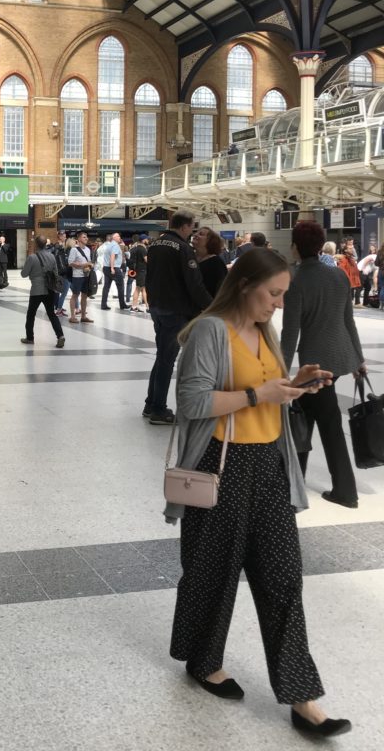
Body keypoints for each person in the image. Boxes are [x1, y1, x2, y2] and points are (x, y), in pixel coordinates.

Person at [168, 249, 349, 737]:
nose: (279, 303)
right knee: (213, 570)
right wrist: (258, 395)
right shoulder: (211, 331)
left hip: (268, 464)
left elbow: (268, 389)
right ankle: (204, 662)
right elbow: (189, 403)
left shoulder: (265, 332)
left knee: (284, 576)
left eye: (282, 295)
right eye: (274, 293)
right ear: (245, 285)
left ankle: (302, 698)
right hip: (221, 464)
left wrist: (295, 385)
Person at [281, 221, 365, 509]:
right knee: (314, 419)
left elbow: (290, 333)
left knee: (310, 423)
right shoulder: (338, 275)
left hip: (315, 364)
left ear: (295, 246)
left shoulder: (297, 281)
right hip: (341, 357)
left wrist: (281, 370)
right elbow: (348, 321)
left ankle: (309, 491)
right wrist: (359, 359)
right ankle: (331, 489)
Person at [143, 212, 211, 425]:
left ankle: (150, 403)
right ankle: (158, 410)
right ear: (185, 226)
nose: (192, 232)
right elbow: (193, 283)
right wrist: (211, 306)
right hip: (175, 309)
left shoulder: (154, 244)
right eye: (192, 227)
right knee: (167, 359)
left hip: (157, 307)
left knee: (161, 355)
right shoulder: (182, 248)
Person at [19, 235, 65, 348]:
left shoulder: (32, 258)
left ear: (36, 244)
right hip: (50, 290)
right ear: (46, 244)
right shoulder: (52, 257)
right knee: (51, 314)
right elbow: (56, 273)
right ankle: (60, 336)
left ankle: (30, 338)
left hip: (36, 290)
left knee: (31, 314)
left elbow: (23, 274)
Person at [67, 231, 93, 324]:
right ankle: (73, 316)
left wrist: (89, 266)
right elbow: (70, 263)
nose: (86, 238)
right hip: (77, 276)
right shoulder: (74, 250)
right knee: (75, 295)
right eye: (84, 237)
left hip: (86, 275)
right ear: (78, 239)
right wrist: (83, 265)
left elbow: (89, 261)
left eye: (86, 237)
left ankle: (83, 316)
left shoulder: (88, 250)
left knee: (85, 296)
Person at [194, 228, 228, 298]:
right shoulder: (190, 257)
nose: (195, 235)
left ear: (210, 241)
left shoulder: (216, 262)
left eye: (201, 234)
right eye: (196, 233)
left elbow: (221, 289)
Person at [100, 232, 129, 311]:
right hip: (114, 268)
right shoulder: (115, 245)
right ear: (114, 238)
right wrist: (112, 268)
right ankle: (122, 304)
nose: (120, 237)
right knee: (120, 287)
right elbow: (113, 256)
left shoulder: (109, 245)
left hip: (106, 267)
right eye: (118, 236)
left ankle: (103, 304)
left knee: (106, 287)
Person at [128, 235, 149, 312]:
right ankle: (134, 307)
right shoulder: (142, 249)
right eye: (147, 239)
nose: (148, 240)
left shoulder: (136, 248)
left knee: (143, 289)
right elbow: (146, 260)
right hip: (142, 271)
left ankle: (146, 306)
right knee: (138, 289)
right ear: (143, 240)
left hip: (139, 270)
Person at [337, 239, 361, 305]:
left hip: (352, 280)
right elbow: (341, 270)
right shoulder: (343, 259)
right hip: (346, 281)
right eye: (350, 249)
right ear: (345, 250)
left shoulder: (351, 259)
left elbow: (355, 271)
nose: (352, 250)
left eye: (352, 249)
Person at [357, 242, 377, 306]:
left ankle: (365, 303)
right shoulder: (375, 256)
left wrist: (375, 286)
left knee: (368, 287)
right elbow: (367, 259)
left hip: (364, 272)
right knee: (360, 287)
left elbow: (375, 276)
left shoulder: (375, 257)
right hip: (361, 271)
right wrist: (363, 268)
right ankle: (357, 303)